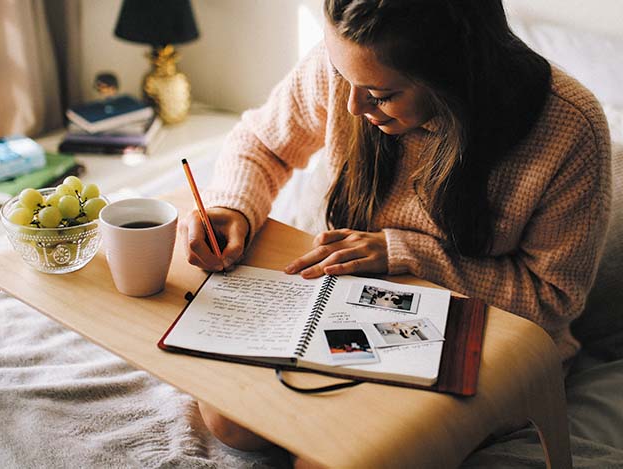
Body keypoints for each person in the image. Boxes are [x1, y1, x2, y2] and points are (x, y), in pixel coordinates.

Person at [179, 0, 611, 459]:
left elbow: (552, 299)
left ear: (455, 76)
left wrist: (407, 254)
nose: (351, 105)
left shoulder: (569, 128)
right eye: (343, 77)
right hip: (345, 306)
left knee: (336, 459)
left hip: (476, 335)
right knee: (230, 421)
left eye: (381, 95)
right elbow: (262, 142)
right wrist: (233, 207)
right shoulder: (347, 68)